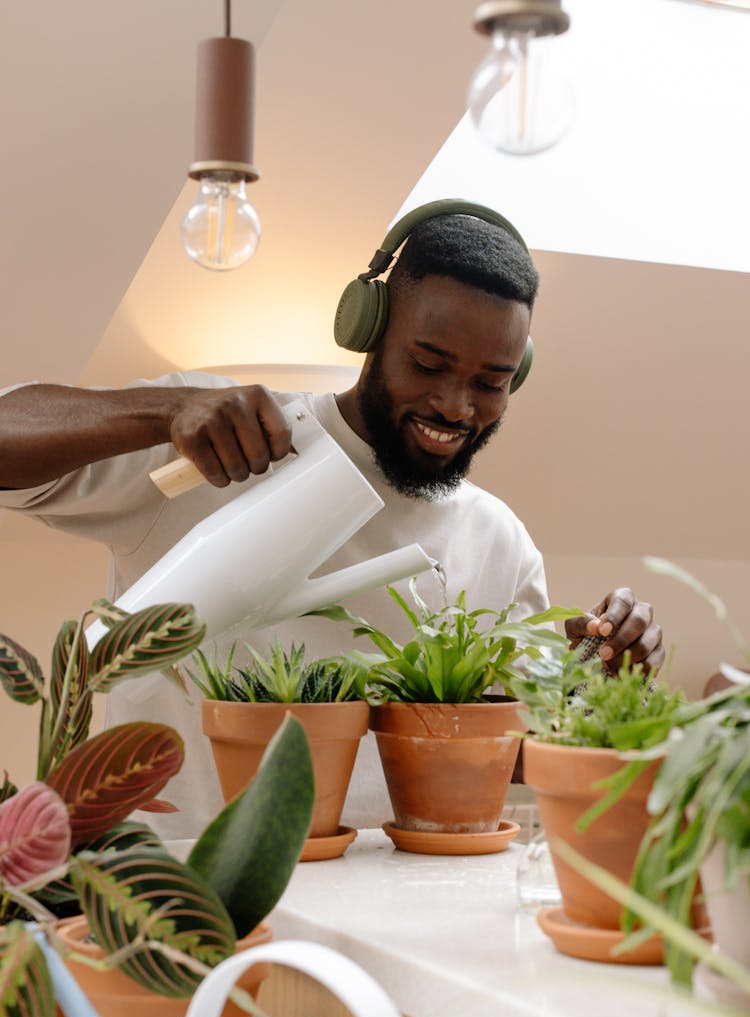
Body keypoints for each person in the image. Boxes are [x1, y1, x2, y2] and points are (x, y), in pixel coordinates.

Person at [0, 209, 664, 838]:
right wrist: (164, 409)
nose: (455, 405)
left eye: (490, 382)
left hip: (378, 907)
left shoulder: (496, 540)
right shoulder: (222, 436)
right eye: (428, 363)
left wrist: (600, 680)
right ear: (369, 332)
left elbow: (508, 756)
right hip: (177, 894)